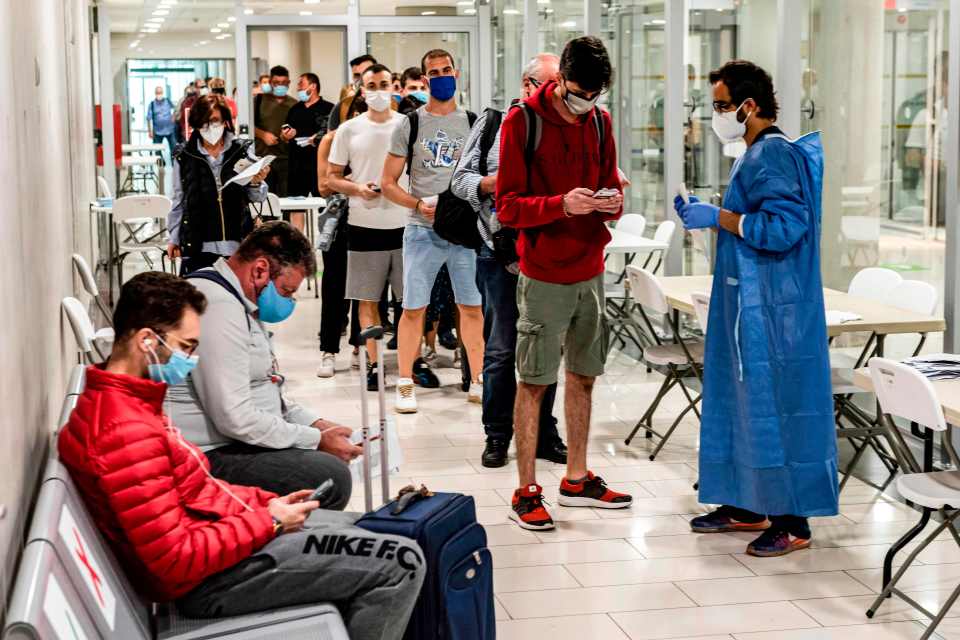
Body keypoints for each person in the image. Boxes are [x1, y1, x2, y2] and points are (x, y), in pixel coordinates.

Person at [58, 271, 424, 640]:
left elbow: (201, 493)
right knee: (401, 563)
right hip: (209, 581)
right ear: (147, 340)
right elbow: (175, 561)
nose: (192, 359)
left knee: (379, 531)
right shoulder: (123, 430)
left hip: (224, 549)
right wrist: (269, 522)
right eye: (185, 347)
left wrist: (269, 505)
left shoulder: (131, 405)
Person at [679, 60, 836, 557]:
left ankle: (794, 522)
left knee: (778, 411)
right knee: (740, 406)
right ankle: (748, 503)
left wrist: (719, 217)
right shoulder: (753, 154)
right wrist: (719, 219)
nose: (717, 115)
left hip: (774, 313)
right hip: (748, 307)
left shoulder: (773, 155)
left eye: (723, 106)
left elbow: (784, 228)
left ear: (749, 106)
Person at [497, 36, 633, 530]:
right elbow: (507, 206)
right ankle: (525, 488)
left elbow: (612, 186)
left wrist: (611, 202)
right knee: (534, 381)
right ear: (558, 81)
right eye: (578, 94)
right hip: (544, 272)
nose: (585, 104)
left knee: (585, 374)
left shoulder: (599, 120)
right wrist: (559, 205)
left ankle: (576, 477)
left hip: (590, 267)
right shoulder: (523, 121)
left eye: (594, 95)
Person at [166, 222, 361, 499]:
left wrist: (318, 425)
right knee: (328, 476)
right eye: (286, 291)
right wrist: (316, 440)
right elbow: (234, 419)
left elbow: (265, 387)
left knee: (325, 464)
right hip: (205, 455)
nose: (290, 302)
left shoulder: (236, 299)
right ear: (259, 270)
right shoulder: (217, 307)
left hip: (230, 441)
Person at [452, 53, 568, 469]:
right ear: (527, 85)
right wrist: (500, 183)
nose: (558, 96)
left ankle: (542, 432)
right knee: (501, 348)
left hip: (548, 254)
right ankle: (498, 435)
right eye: (551, 86)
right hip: (497, 250)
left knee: (545, 347)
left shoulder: (564, 127)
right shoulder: (494, 124)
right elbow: (460, 180)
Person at [381, 49, 484, 414]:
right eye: (433, 72)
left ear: (456, 74)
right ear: (424, 80)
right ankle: (405, 381)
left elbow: (483, 176)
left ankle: (478, 379)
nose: (441, 76)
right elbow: (388, 182)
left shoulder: (473, 122)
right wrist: (416, 204)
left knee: (471, 307)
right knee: (414, 308)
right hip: (422, 229)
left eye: (446, 70)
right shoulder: (409, 123)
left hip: (464, 232)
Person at [326, 64, 407, 388]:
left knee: (409, 302)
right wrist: (357, 188)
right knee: (366, 299)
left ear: (393, 86)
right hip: (363, 223)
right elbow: (331, 177)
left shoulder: (406, 125)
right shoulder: (349, 129)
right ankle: (373, 364)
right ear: (362, 89)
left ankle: (408, 366)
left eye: (383, 84)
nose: (377, 90)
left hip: (405, 223)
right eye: (371, 85)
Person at [167, 94, 270, 275]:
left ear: (225, 121)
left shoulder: (241, 150)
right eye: (204, 123)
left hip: (237, 240)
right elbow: (178, 200)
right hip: (199, 243)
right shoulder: (184, 156)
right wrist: (174, 238)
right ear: (196, 124)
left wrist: (257, 182)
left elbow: (258, 196)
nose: (209, 128)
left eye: (214, 121)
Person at [285, 72, 335, 232]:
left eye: (301, 84)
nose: (298, 88)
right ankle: (297, 246)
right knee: (295, 208)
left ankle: (326, 242)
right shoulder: (295, 109)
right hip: (296, 166)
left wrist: (319, 138)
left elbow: (335, 134)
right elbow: (284, 131)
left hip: (319, 167)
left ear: (313, 86)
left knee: (326, 208)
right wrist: (287, 134)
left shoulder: (329, 108)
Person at [255, 65, 298, 197]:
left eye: (284, 83)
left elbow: (297, 130)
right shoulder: (259, 100)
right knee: (266, 200)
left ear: (289, 83)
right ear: (270, 83)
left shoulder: (294, 104)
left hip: (285, 158)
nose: (280, 86)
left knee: (286, 199)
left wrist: (287, 136)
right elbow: (247, 125)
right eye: (276, 83)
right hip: (263, 158)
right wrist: (263, 135)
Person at [329, 55, 378, 132]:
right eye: (357, 75)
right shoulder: (344, 104)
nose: (362, 79)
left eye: (366, 73)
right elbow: (332, 136)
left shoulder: (390, 102)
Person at [146, 85, 176, 155]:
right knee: (157, 151)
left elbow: (175, 109)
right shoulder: (152, 104)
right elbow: (148, 118)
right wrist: (150, 131)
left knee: (174, 149)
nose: (159, 94)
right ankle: (160, 164)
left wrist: (173, 116)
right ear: (155, 93)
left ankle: (174, 164)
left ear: (162, 93)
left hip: (170, 130)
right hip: (157, 132)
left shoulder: (168, 101)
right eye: (157, 92)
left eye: (160, 92)